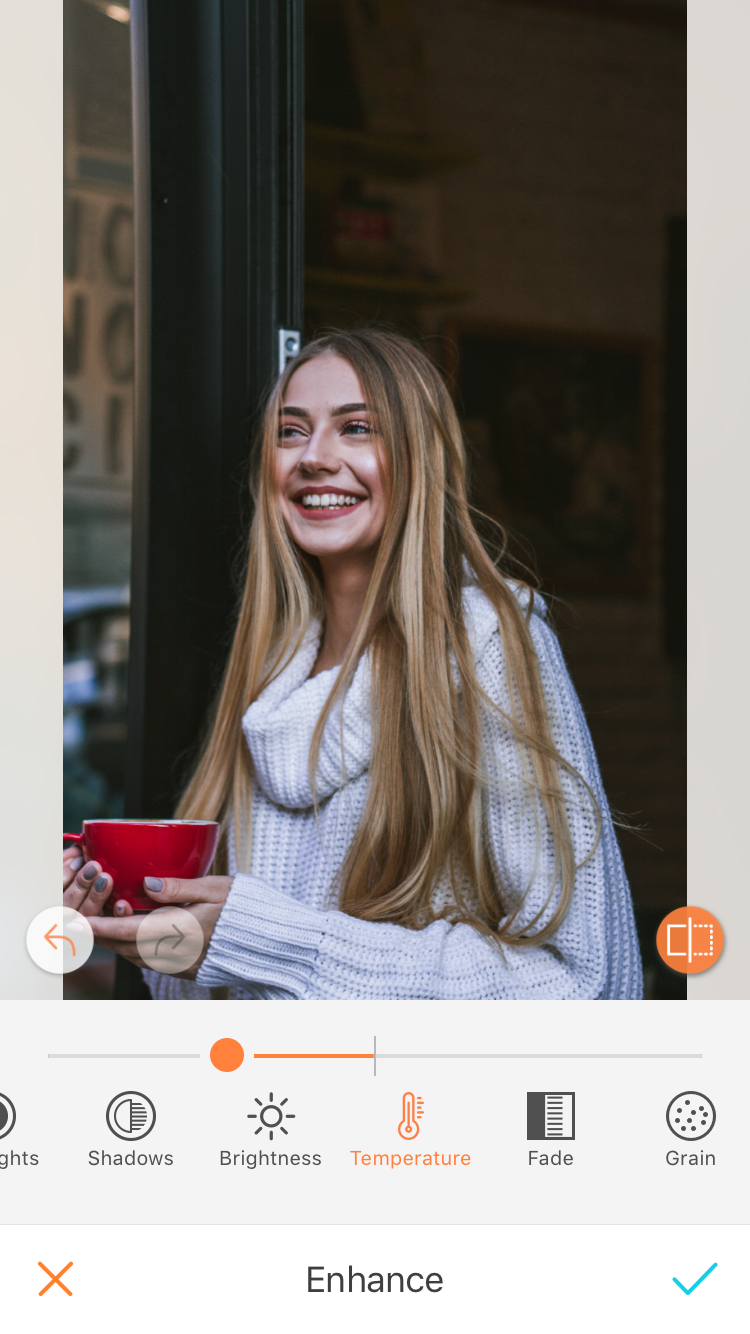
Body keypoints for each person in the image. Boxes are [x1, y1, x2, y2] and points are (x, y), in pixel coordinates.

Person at [63, 329, 642, 1000]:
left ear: (419, 458)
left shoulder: (487, 644)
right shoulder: (270, 676)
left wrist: (279, 944)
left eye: (356, 428)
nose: (314, 457)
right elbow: (233, 998)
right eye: (290, 432)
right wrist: (148, 933)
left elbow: (588, 985)